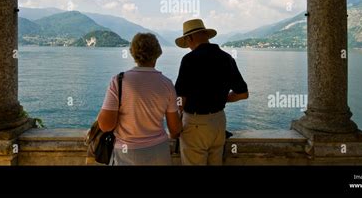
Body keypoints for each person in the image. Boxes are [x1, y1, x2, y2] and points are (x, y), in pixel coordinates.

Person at [98, 33, 182, 165]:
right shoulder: (167, 84)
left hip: (126, 153)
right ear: (158, 53)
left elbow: (105, 125)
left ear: (133, 53)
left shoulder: (119, 81)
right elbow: (175, 129)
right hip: (159, 152)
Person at [175, 19, 249, 165]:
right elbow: (243, 94)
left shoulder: (189, 60)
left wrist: (176, 123)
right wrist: (220, 98)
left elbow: (180, 99)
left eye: (187, 42)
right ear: (206, 35)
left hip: (195, 124)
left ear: (189, 38)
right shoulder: (227, 58)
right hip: (219, 123)